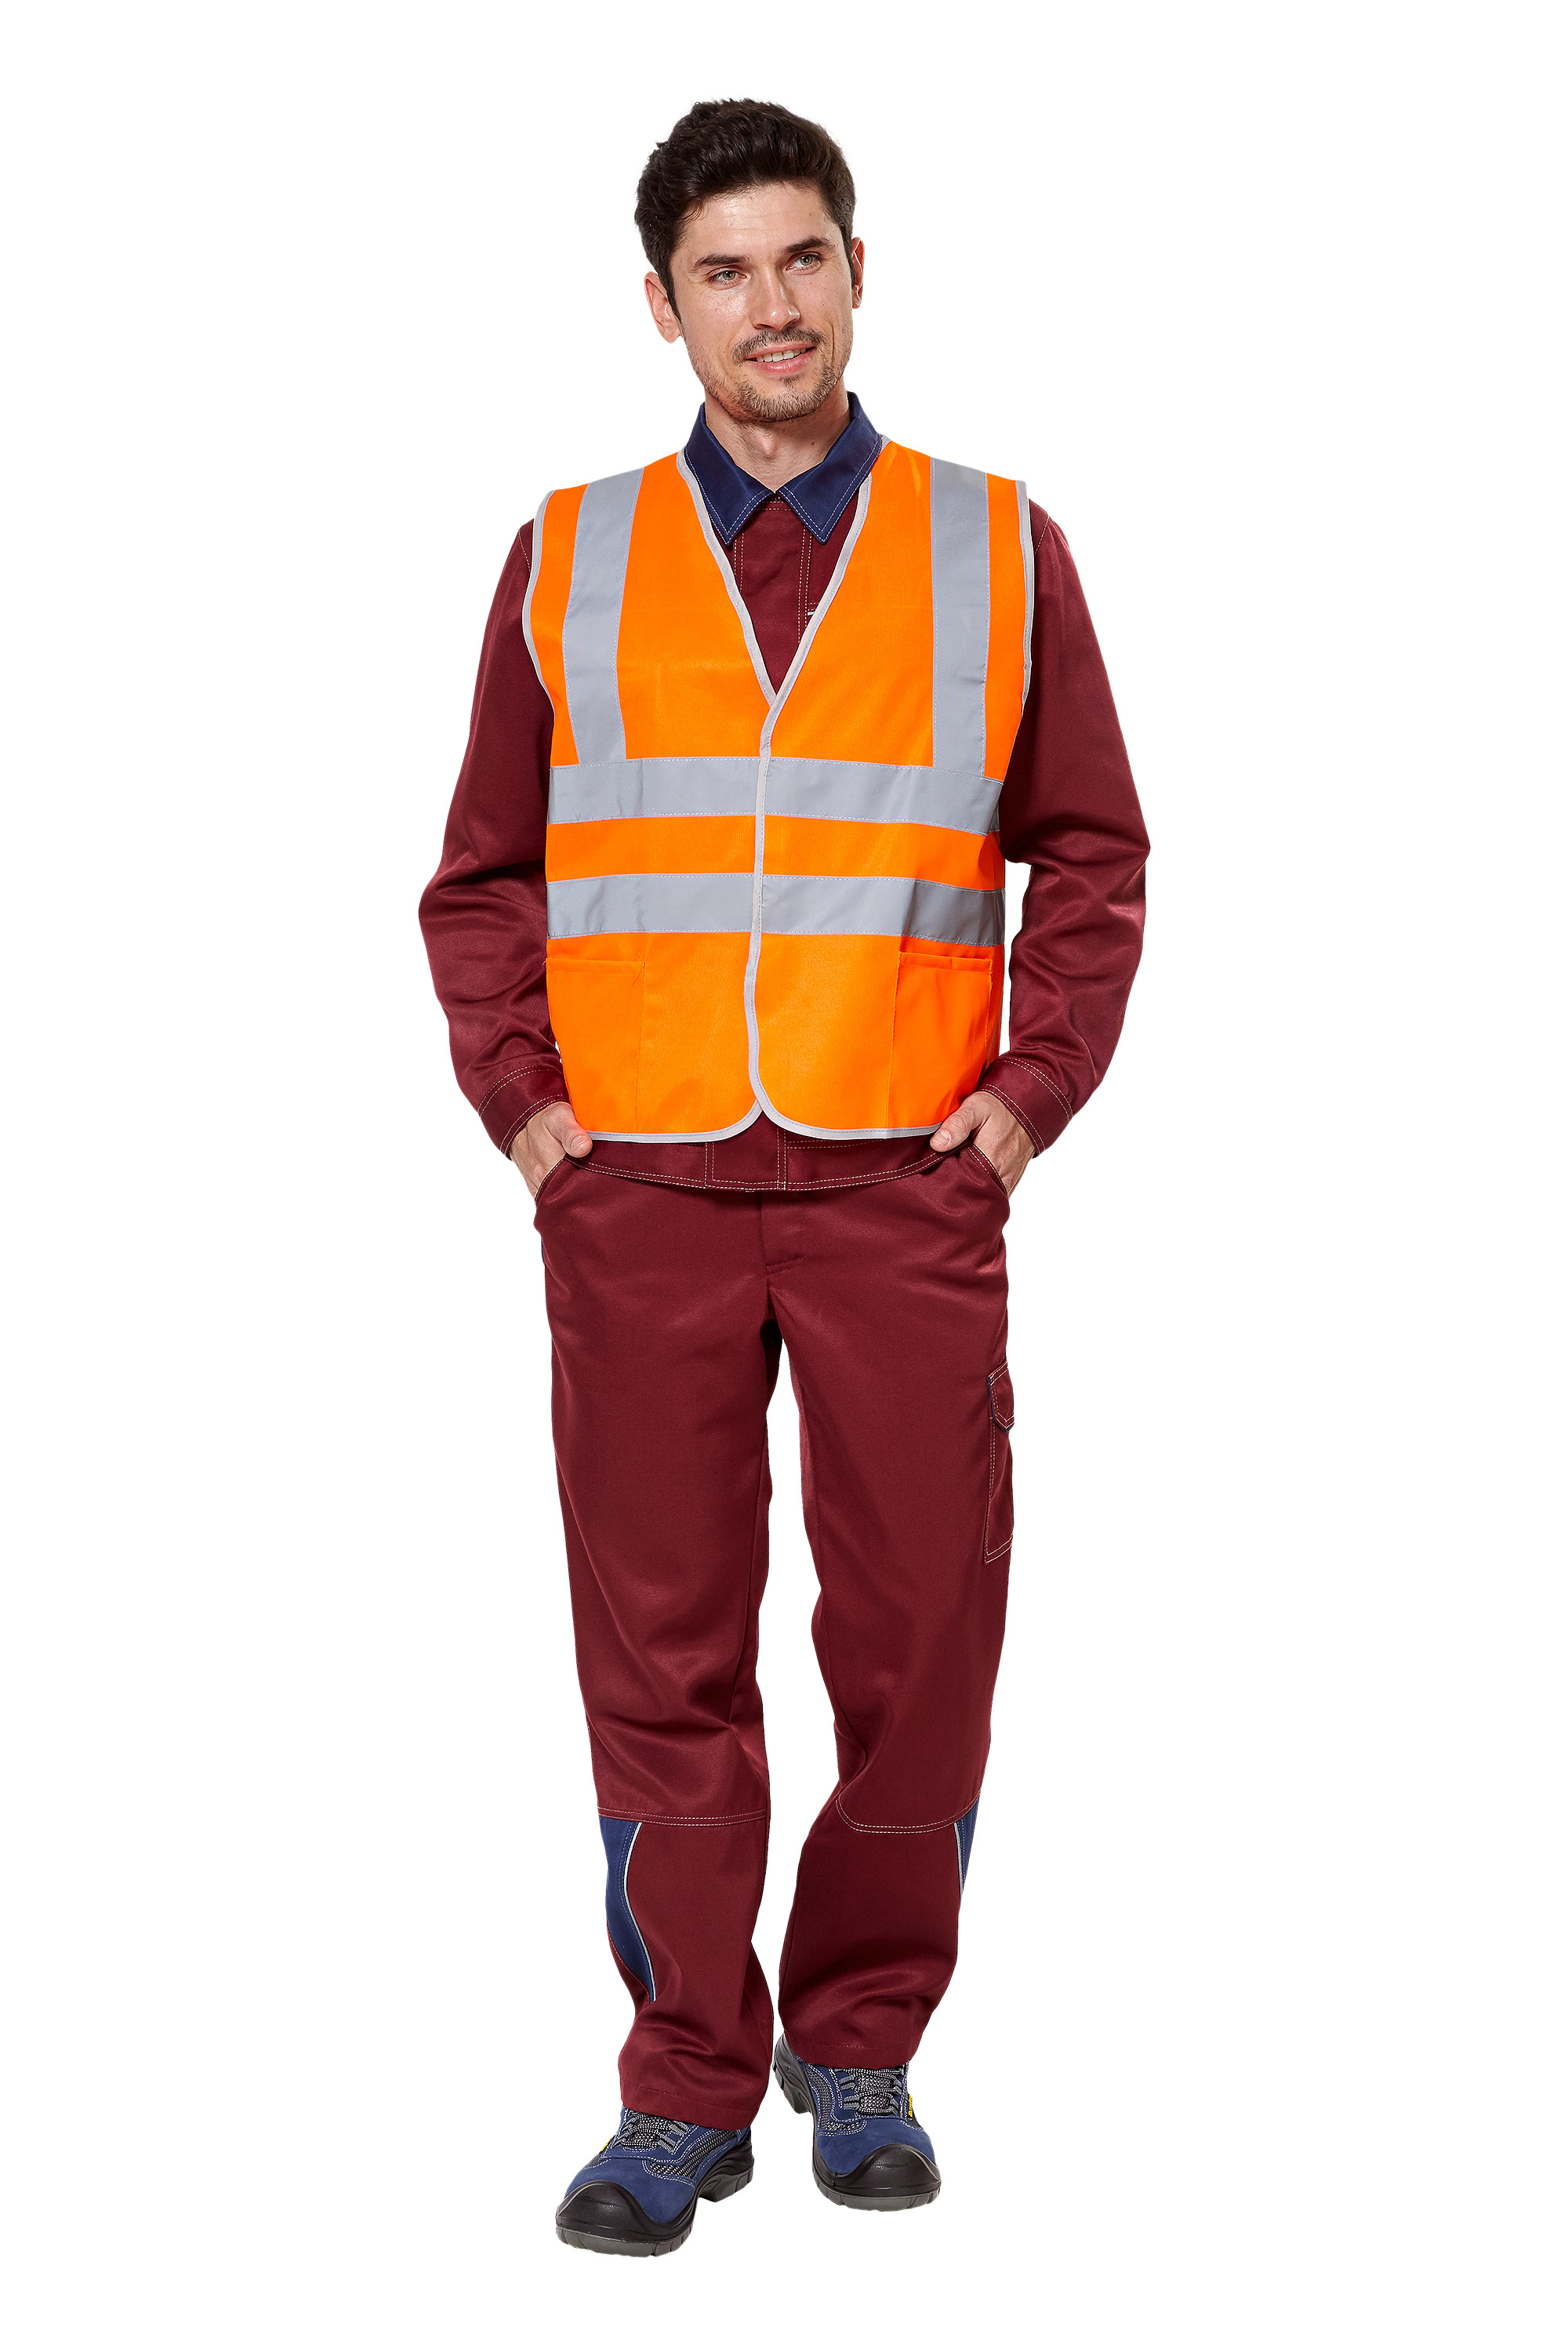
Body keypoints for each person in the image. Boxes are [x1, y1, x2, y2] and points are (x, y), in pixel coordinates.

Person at [419, 96, 1148, 2258]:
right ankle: (682, 2081)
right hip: (634, 1182)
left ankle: (862, 2041)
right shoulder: (566, 552)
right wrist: (525, 1107)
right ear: (662, 307)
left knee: (922, 1636)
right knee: (660, 1652)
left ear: (857, 270)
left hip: (905, 1175)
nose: (773, 305)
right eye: (724, 271)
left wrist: (1027, 1096)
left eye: (802, 257)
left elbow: (1092, 848)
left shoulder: (997, 543)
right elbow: (482, 873)